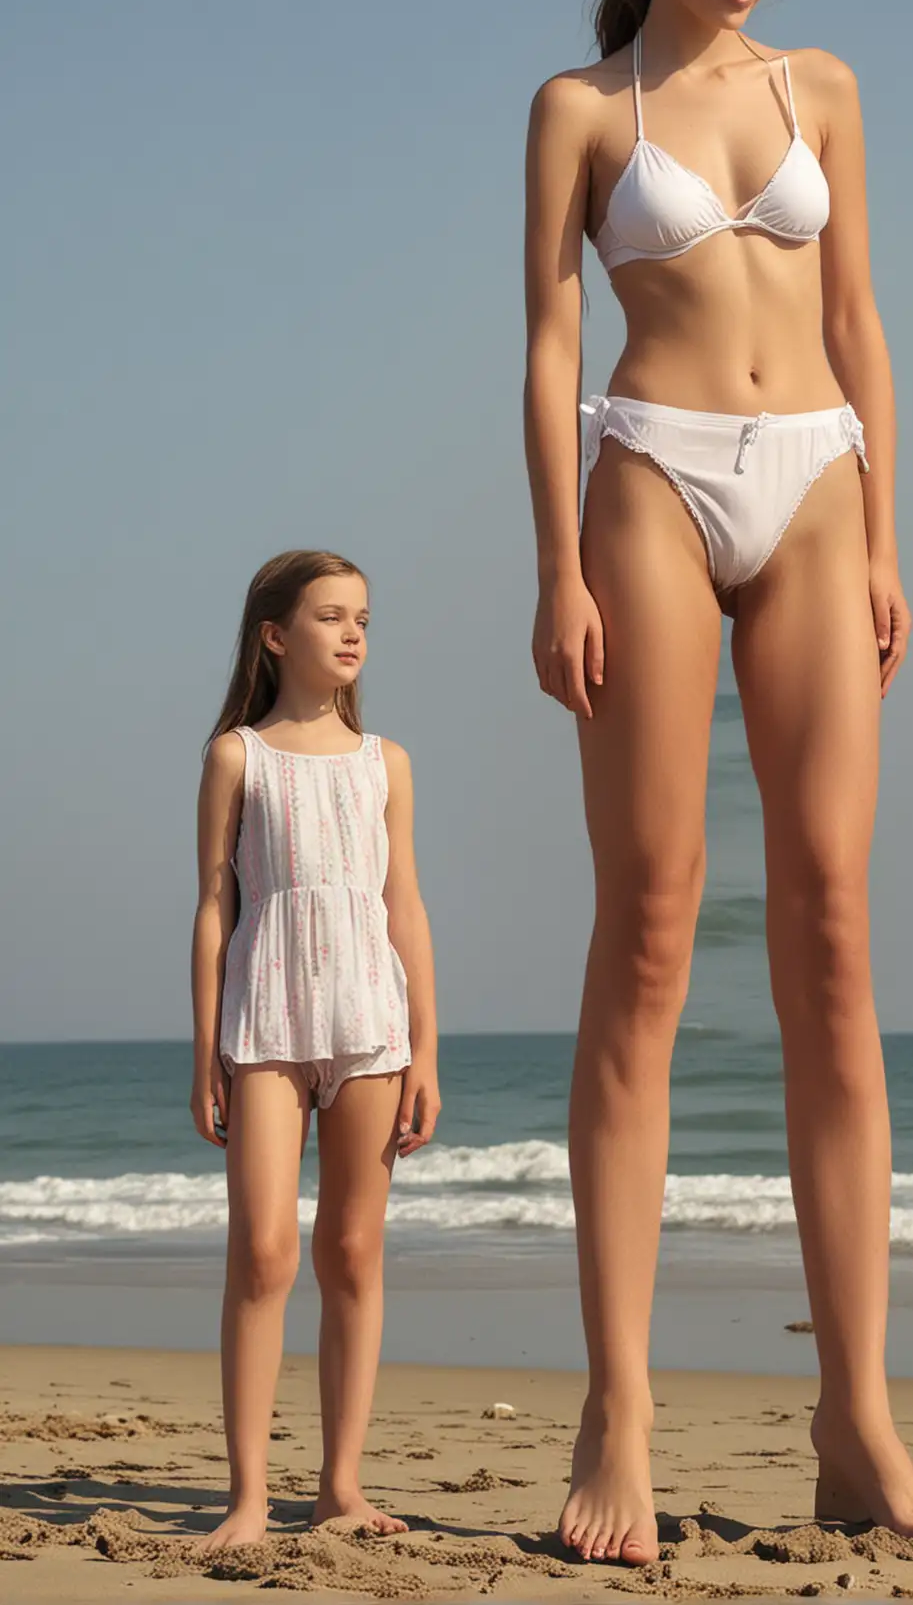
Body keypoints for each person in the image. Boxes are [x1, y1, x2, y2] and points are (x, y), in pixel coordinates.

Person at [523, 0, 913, 1568]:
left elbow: (858, 316)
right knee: (646, 922)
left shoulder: (822, 91)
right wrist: (552, 560)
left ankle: (855, 1414)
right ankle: (615, 1401)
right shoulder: (581, 111)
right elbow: (549, 336)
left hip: (817, 481)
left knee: (834, 928)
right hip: (647, 468)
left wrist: (880, 533)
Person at [189, 549, 441, 1548]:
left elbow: (405, 905)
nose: (352, 635)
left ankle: (339, 1487)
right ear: (274, 635)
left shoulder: (387, 761)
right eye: (331, 616)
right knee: (260, 1253)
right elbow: (214, 906)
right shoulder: (237, 757)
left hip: (370, 1020)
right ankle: (248, 1500)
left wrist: (425, 1047)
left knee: (351, 1251)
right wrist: (204, 1044)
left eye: (364, 620)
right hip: (265, 1018)